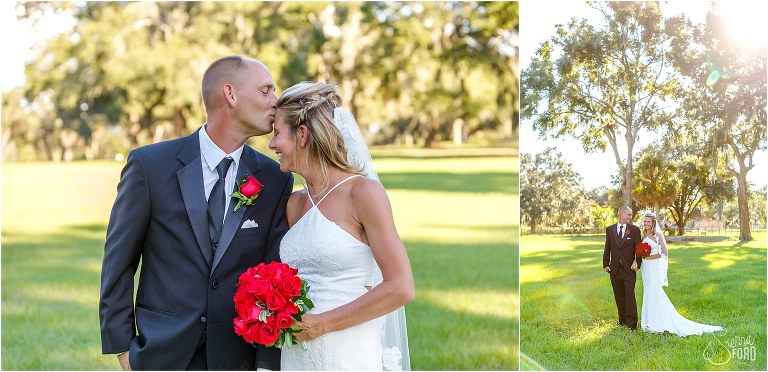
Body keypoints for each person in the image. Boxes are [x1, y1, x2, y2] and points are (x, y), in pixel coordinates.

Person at [99, 56, 293, 370]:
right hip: (161, 352)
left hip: (238, 356)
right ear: (230, 94)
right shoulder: (150, 166)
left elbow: (274, 275)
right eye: (266, 91)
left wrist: (267, 362)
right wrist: (124, 348)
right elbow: (119, 260)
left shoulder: (274, 178)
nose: (276, 102)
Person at [267, 82, 415, 370]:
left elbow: (401, 286)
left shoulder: (363, 193)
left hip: (347, 350)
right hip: (297, 354)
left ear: (302, 134)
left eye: (276, 134)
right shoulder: (295, 203)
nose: (271, 145)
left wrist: (322, 324)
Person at [639, 212, 723, 335]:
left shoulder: (657, 235)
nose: (646, 223)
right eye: (645, 221)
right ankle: (648, 319)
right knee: (648, 291)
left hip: (653, 267)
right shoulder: (643, 235)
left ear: (653, 223)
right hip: (646, 268)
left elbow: (664, 252)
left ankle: (659, 320)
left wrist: (648, 257)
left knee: (654, 291)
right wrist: (642, 257)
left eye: (648, 222)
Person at [603, 206, 642, 330]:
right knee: (618, 295)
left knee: (629, 295)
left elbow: (639, 249)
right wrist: (605, 264)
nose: (631, 217)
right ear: (622, 214)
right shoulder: (610, 229)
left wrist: (637, 262)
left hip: (629, 269)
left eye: (631, 215)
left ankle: (632, 325)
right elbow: (607, 247)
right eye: (629, 215)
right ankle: (622, 321)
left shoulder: (634, 230)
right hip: (614, 269)